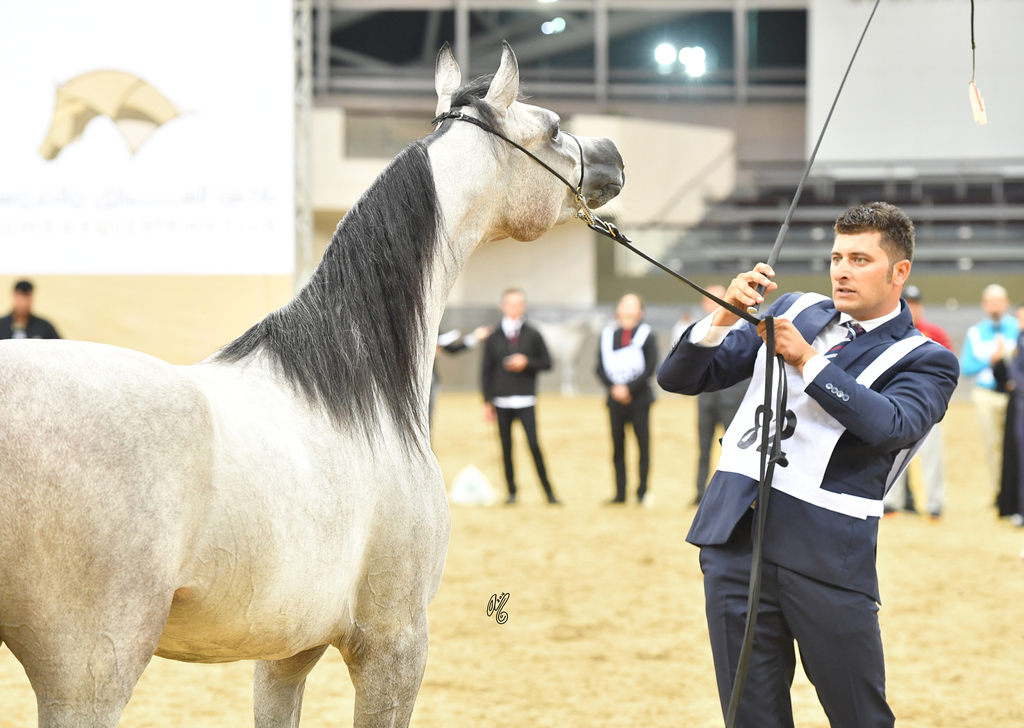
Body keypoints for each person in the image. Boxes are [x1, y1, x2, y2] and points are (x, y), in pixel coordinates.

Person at [658, 202, 959, 727]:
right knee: (749, 716)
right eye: (837, 257)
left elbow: (891, 426)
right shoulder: (793, 308)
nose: (842, 271)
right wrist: (723, 315)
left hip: (827, 555)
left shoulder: (927, 358)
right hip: (734, 539)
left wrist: (808, 361)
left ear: (899, 272)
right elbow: (680, 378)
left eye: (860, 259)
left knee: (858, 716)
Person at [481, 288, 559, 505]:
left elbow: (547, 362)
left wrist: (527, 362)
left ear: (524, 306)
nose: (514, 307)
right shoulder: (493, 336)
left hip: (526, 399)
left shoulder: (533, 333)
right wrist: (487, 401)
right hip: (501, 400)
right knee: (506, 448)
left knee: (533, 444)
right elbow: (486, 371)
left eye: (518, 303)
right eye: (510, 303)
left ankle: (548, 492)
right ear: (502, 306)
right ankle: (511, 492)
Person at [882, 284, 953, 521]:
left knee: (932, 456)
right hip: (897, 401)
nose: (912, 308)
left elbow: (949, 367)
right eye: (908, 303)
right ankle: (892, 501)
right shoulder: (892, 331)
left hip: (928, 404)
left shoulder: (935, 333)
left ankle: (935, 504)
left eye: (915, 303)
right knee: (893, 452)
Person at [595, 293, 659, 505]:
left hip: (640, 399)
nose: (628, 309)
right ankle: (620, 493)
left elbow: (650, 367)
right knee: (617, 446)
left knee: (643, 446)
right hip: (614, 401)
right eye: (624, 304)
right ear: (617, 310)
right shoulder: (607, 336)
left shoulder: (647, 335)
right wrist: (614, 389)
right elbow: (599, 367)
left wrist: (628, 389)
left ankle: (642, 491)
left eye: (633, 305)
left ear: (640, 312)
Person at [692, 285, 749, 506]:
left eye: (718, 299)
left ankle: (731, 494)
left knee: (733, 449)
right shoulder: (697, 330)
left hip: (733, 399)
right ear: (703, 304)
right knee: (703, 447)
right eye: (710, 300)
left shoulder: (742, 328)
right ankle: (700, 493)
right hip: (706, 398)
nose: (714, 304)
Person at [960, 283, 1019, 493]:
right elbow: (966, 367)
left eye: (999, 301)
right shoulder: (975, 333)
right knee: (992, 445)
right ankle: (999, 492)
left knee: (1015, 444)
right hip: (985, 395)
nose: (995, 306)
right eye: (990, 302)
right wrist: (990, 360)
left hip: (1013, 395)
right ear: (984, 305)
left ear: (1007, 303)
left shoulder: (1017, 328)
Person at [430, 325, 492, 428]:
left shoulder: (431, 326)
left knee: (428, 417)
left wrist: (475, 337)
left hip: (431, 381)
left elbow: (453, 349)